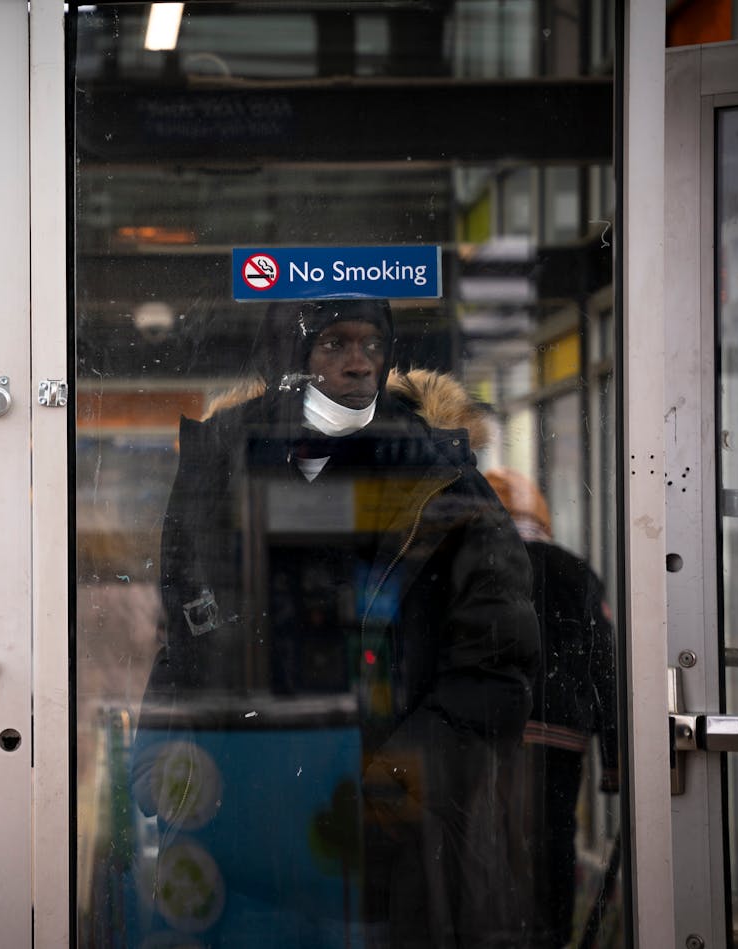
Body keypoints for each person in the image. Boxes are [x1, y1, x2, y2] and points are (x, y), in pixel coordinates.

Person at [132, 298, 541, 947]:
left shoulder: (442, 474)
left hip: (377, 838)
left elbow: (498, 656)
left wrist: (405, 774)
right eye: (335, 344)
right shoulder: (225, 461)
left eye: (372, 343)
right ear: (295, 359)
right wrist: (159, 746)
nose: (358, 361)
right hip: (239, 820)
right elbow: (189, 632)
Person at [483, 467, 620, 949]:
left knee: (489, 835)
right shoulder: (575, 569)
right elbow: (605, 665)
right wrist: (616, 761)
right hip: (562, 731)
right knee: (555, 835)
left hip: (491, 729)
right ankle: (553, 936)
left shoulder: (476, 560)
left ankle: (497, 933)